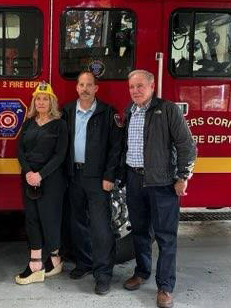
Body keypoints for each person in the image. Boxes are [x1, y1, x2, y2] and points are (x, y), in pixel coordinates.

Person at [122, 70, 197, 308]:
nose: (135, 90)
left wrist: (183, 176)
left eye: (140, 86)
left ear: (152, 86)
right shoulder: (129, 112)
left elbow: (187, 145)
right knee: (140, 232)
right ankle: (142, 272)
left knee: (166, 238)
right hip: (134, 181)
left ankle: (165, 287)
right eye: (132, 86)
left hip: (162, 184)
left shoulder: (167, 110)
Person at [61, 71, 123, 295]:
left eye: (89, 85)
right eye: (81, 84)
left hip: (97, 179)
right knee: (77, 222)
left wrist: (109, 176)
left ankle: (103, 274)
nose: (85, 88)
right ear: (76, 88)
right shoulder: (66, 111)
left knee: (100, 227)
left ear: (96, 89)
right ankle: (84, 263)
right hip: (73, 175)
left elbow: (116, 148)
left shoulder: (108, 113)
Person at [15, 82, 68, 285]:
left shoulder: (59, 124)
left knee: (50, 219)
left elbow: (60, 155)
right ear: (34, 101)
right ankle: (36, 262)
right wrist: (29, 172)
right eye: (38, 98)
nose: (41, 102)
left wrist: (41, 175)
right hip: (29, 178)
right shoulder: (28, 122)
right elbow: (20, 151)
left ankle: (54, 259)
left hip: (51, 179)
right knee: (32, 219)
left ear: (52, 101)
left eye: (45, 99)